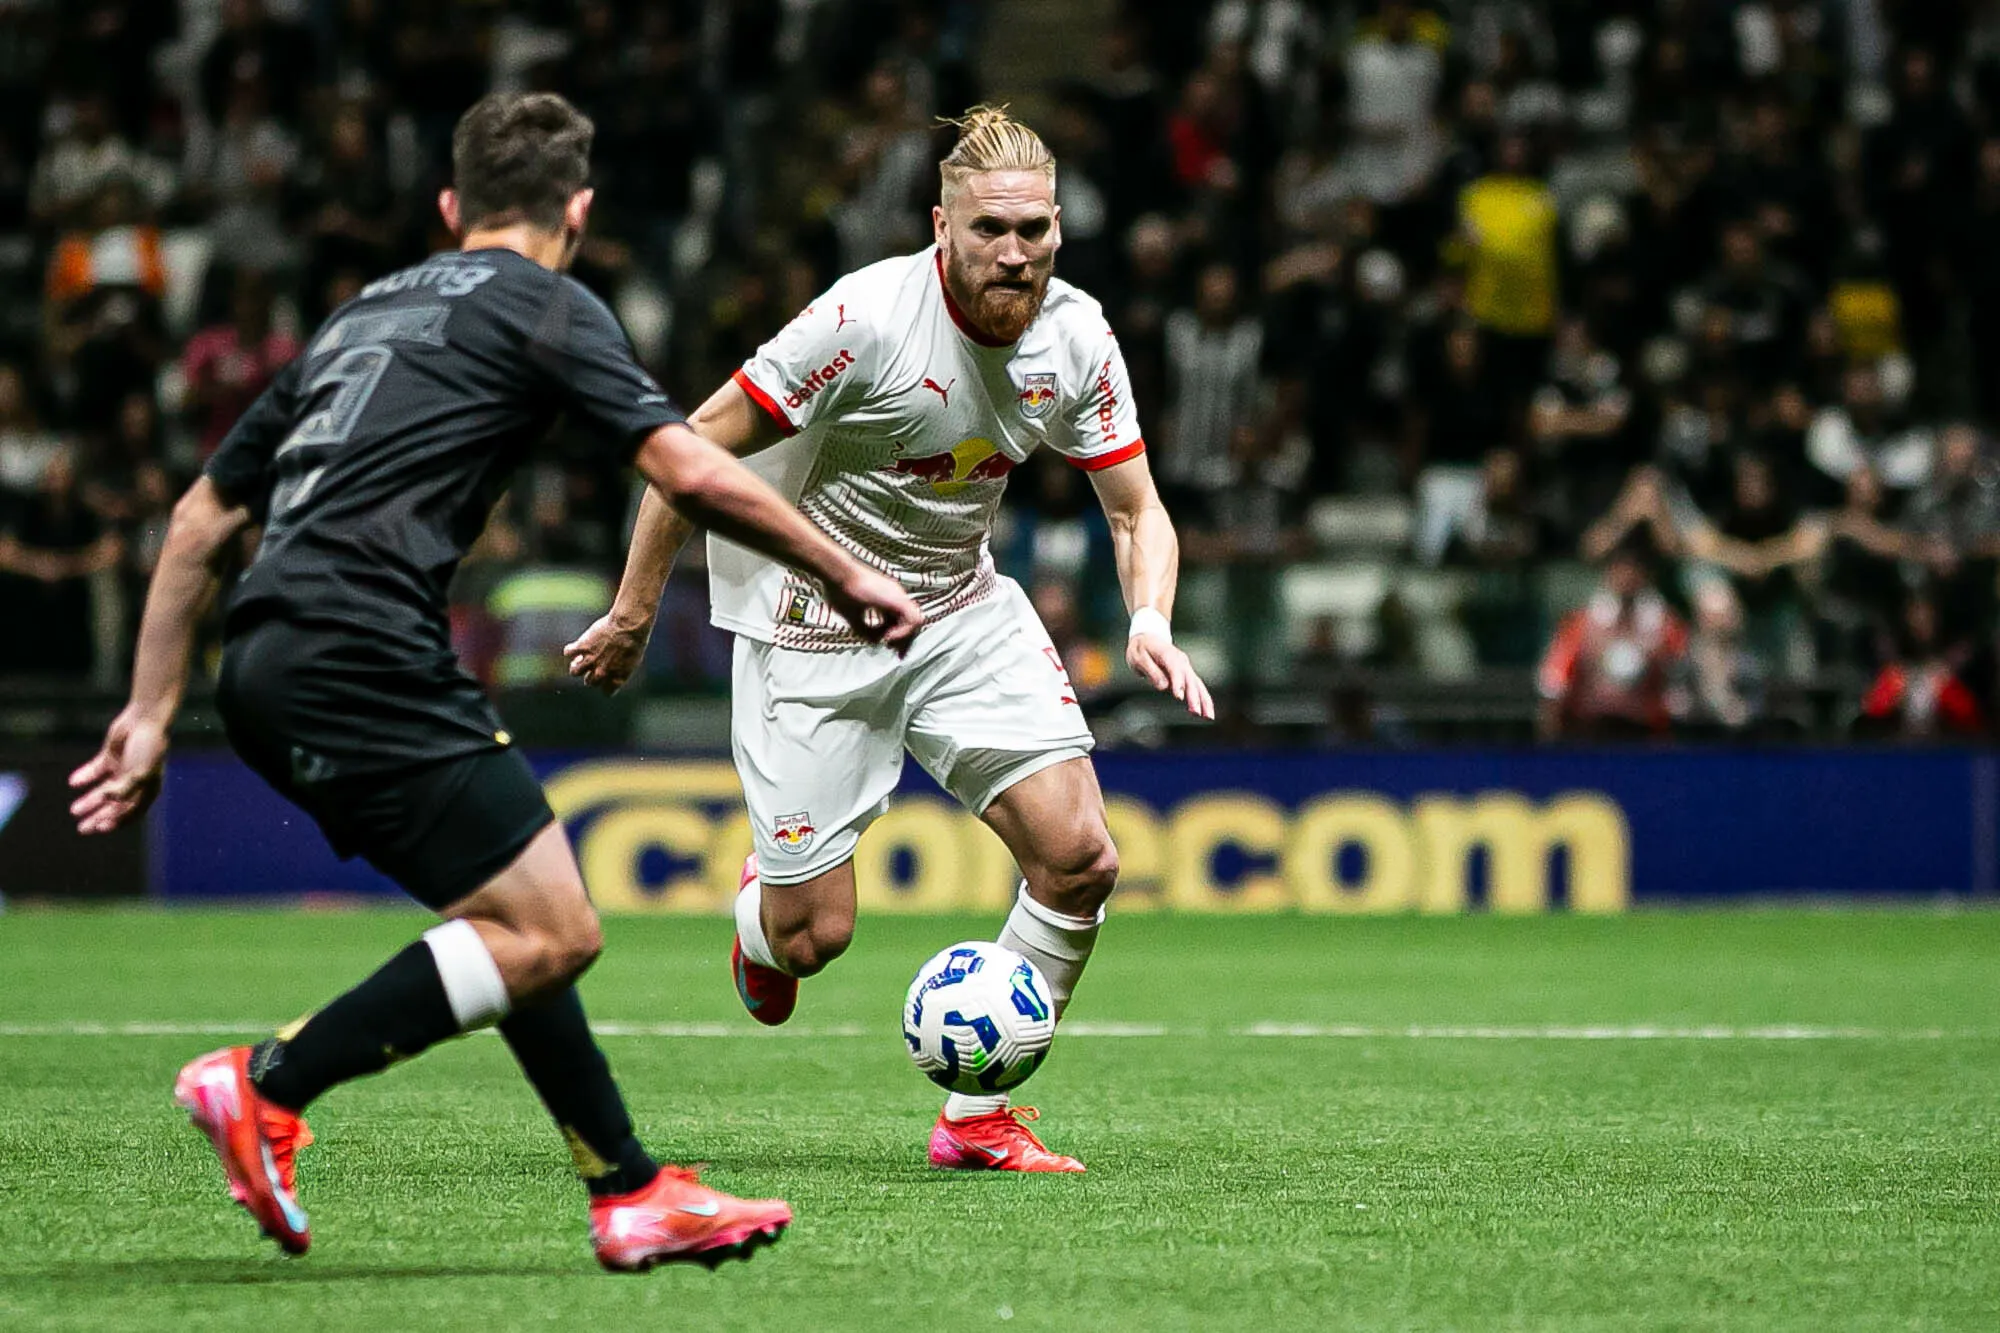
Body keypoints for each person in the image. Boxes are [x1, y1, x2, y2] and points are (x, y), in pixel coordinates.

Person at [68, 93, 921, 1271]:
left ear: (450, 207)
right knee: (551, 927)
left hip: (262, 658)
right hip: (363, 644)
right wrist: (842, 570)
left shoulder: (361, 313)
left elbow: (203, 514)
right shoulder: (546, 306)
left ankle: (626, 1191)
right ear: (577, 211)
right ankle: (266, 1083)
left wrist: (151, 710)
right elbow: (684, 465)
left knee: (518, 917)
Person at [565, 106, 1214, 1173]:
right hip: (811, 621)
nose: (1015, 253)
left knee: (1081, 859)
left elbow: (1137, 510)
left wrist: (1149, 618)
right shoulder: (863, 322)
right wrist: (634, 612)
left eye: (1036, 230)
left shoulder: (1077, 336)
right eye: (990, 230)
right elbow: (684, 449)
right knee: (814, 940)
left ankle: (975, 1121)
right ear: (940, 227)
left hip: (960, 606)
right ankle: (762, 916)